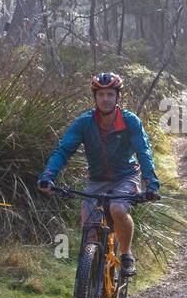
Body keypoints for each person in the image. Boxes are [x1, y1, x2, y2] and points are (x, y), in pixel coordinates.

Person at [37, 72, 160, 277]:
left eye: (110, 94)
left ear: (117, 97)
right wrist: (48, 176)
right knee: (89, 227)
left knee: (118, 209)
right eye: (101, 95)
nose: (105, 99)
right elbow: (63, 151)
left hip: (125, 177)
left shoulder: (131, 122)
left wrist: (152, 184)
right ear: (95, 97)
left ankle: (126, 254)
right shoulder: (84, 123)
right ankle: (88, 287)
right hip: (97, 180)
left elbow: (143, 152)